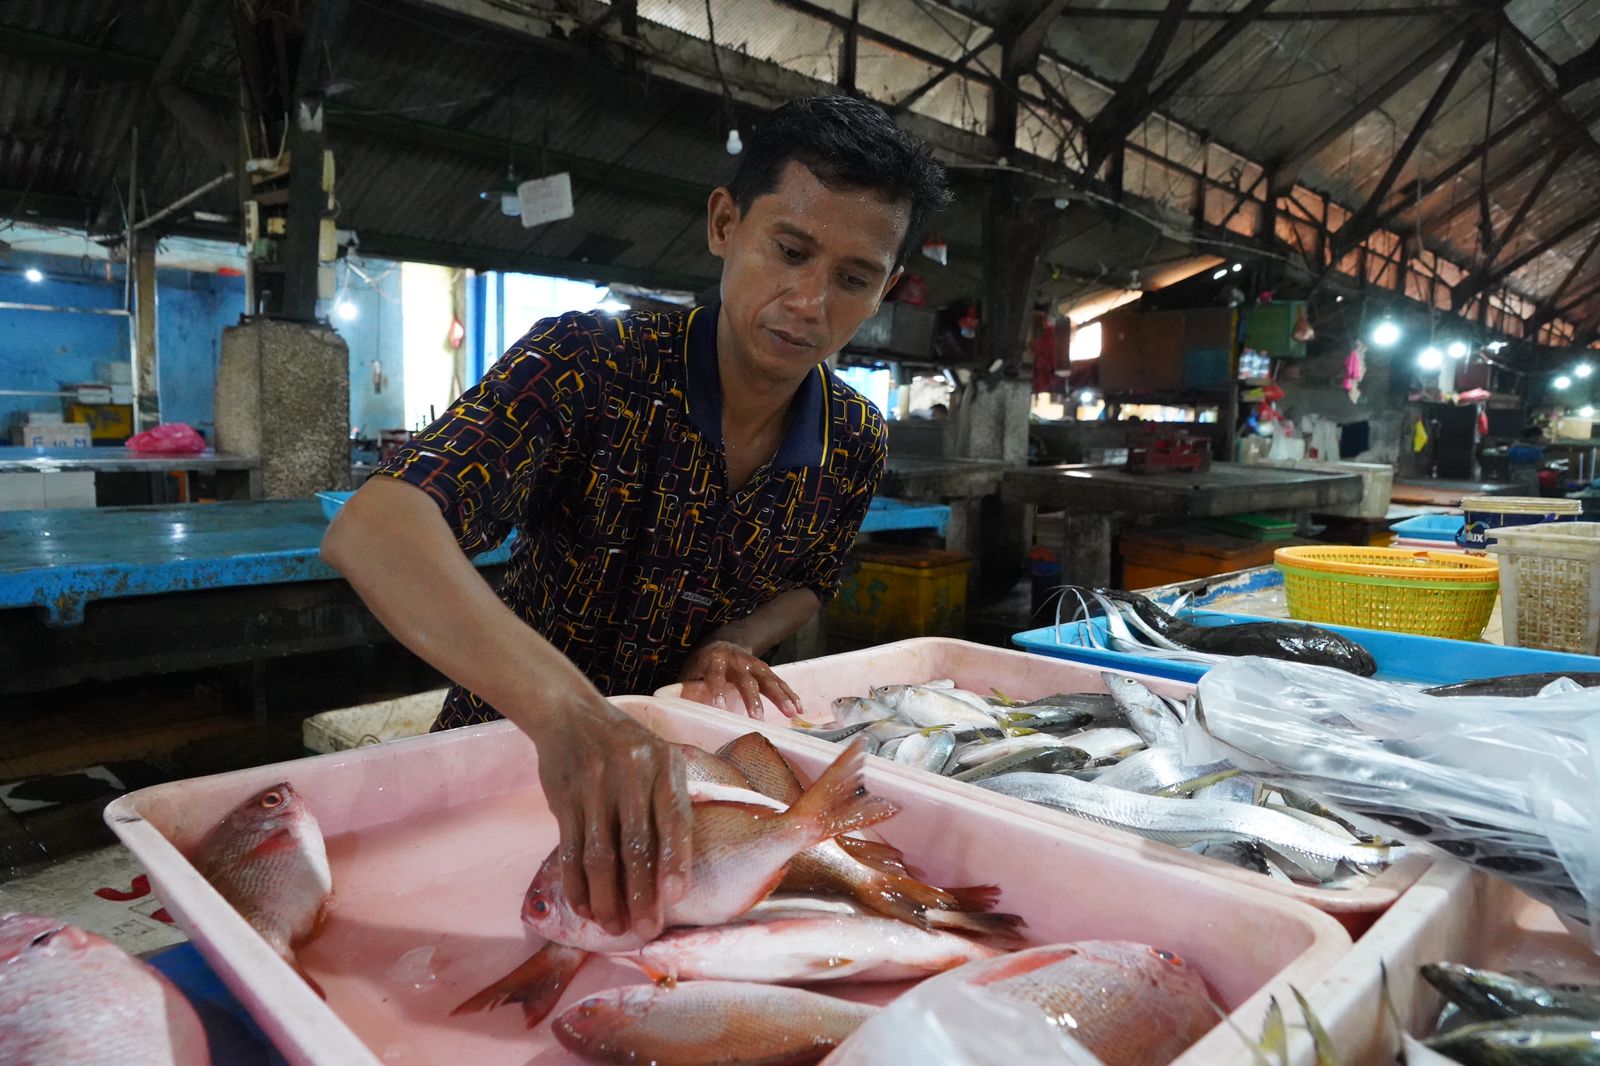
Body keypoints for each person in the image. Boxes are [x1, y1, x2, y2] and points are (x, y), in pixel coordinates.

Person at [321, 95, 951, 941]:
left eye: (853, 277)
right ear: (725, 223)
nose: (809, 301)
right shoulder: (590, 364)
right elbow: (378, 524)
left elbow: (811, 579)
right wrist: (571, 717)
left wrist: (737, 640)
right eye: (791, 250)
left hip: (696, 783)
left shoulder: (854, 438)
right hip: (510, 749)